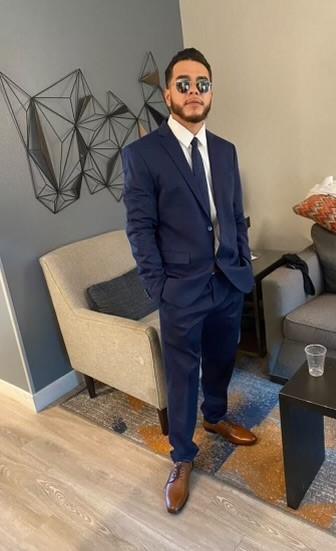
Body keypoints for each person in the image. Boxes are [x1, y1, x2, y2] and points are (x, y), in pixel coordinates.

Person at [121, 47, 257, 514]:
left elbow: (234, 214)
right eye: (184, 84)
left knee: (222, 357)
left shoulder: (225, 150)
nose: (193, 91)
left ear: (211, 92)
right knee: (182, 375)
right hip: (180, 290)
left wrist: (242, 261)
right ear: (168, 94)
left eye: (202, 84)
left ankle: (215, 416)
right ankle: (182, 456)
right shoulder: (143, 155)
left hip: (227, 281)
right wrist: (158, 288)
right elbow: (140, 228)